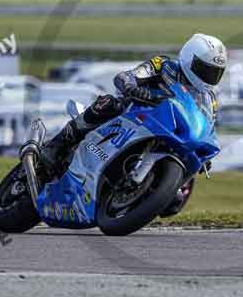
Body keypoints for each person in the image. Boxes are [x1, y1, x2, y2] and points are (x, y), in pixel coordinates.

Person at [39, 34, 227, 216]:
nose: (209, 77)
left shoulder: (209, 99)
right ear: (188, 58)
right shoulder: (165, 65)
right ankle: (57, 145)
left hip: (168, 132)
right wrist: (132, 87)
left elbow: (207, 124)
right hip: (134, 112)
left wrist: (204, 153)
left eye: (215, 73)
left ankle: (147, 194)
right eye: (205, 69)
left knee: (187, 170)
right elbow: (127, 76)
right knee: (109, 103)